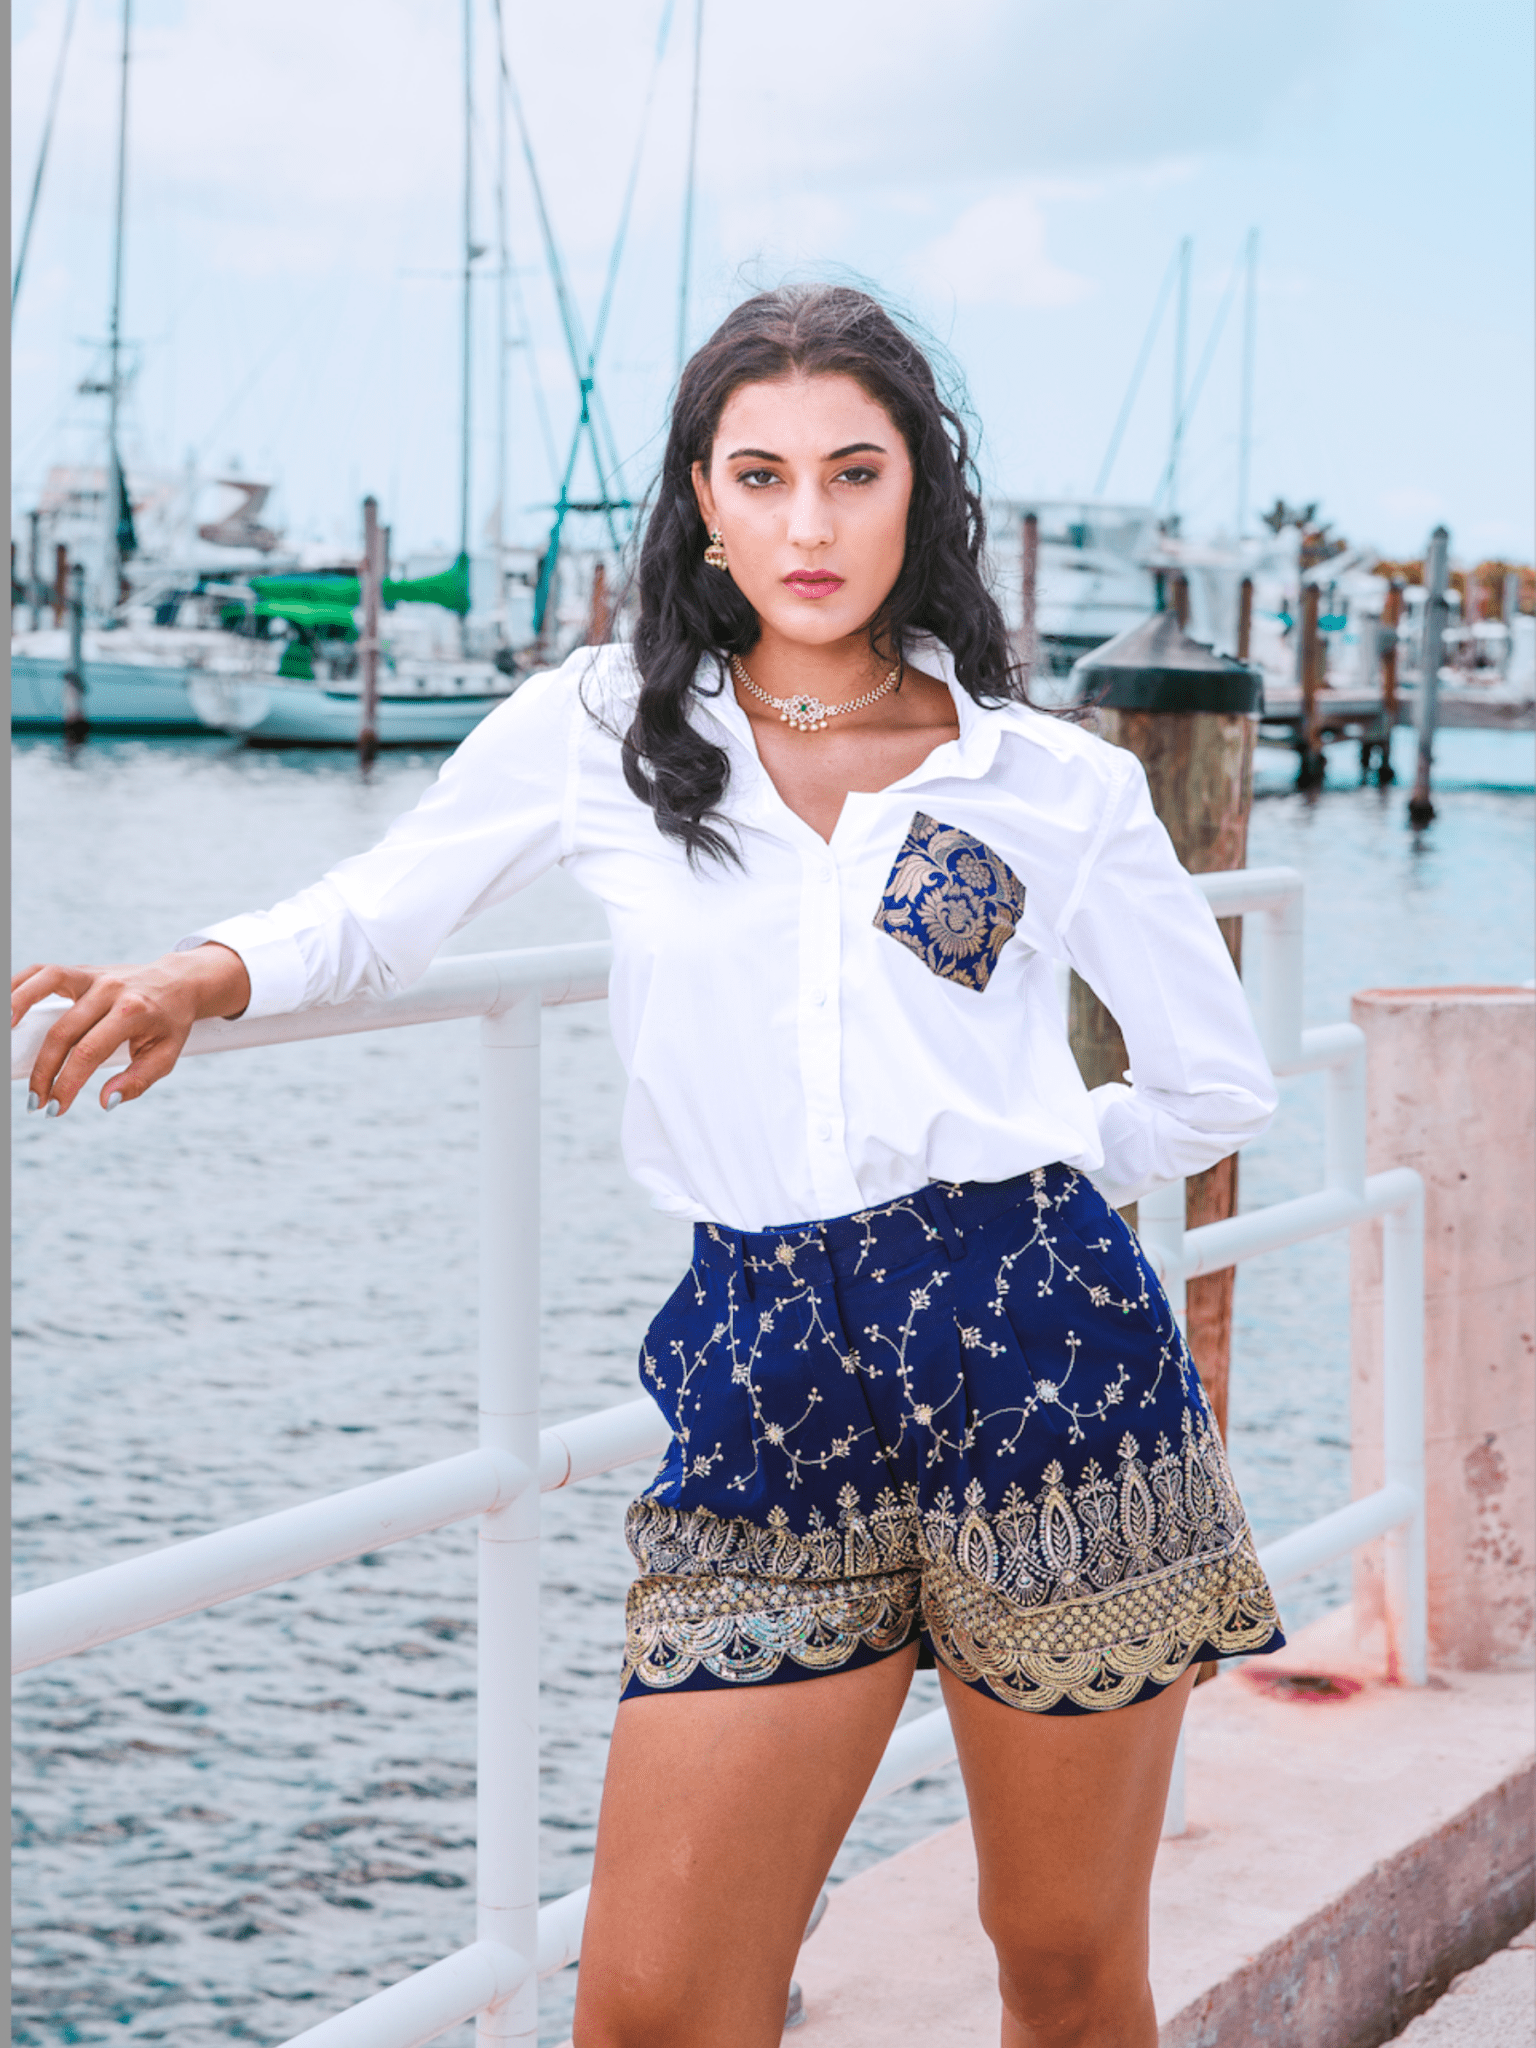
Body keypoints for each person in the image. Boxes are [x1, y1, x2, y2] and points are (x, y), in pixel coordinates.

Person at [13, 284, 1284, 2048]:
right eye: (762, 477)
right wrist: (198, 973)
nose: (812, 525)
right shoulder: (602, 727)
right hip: (766, 1376)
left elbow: (1215, 1084)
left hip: (1052, 1373)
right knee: (658, 2009)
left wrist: (1035, 1184)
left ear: (924, 489)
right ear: (703, 496)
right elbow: (376, 916)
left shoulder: (1048, 781)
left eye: (855, 472)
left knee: (1067, 1977)